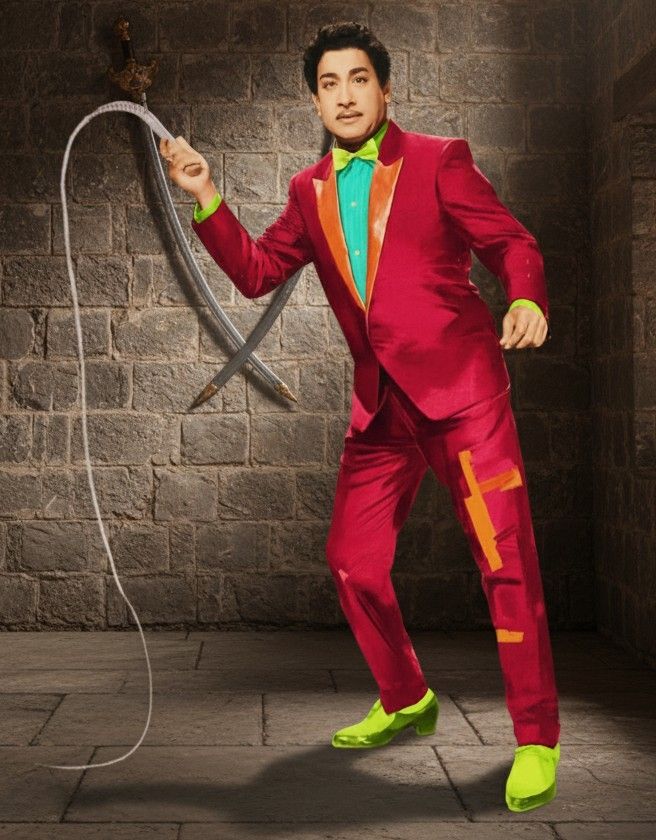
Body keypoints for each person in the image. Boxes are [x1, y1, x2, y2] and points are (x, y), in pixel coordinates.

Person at [161, 20, 561, 814]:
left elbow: (511, 243)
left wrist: (525, 297)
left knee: (506, 562)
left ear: (385, 90)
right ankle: (407, 698)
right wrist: (205, 194)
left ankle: (536, 738)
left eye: (358, 80)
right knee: (352, 562)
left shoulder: (441, 160)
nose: (344, 96)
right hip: (380, 408)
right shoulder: (306, 190)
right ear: (315, 101)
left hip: (462, 397)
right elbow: (256, 272)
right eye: (329, 84)